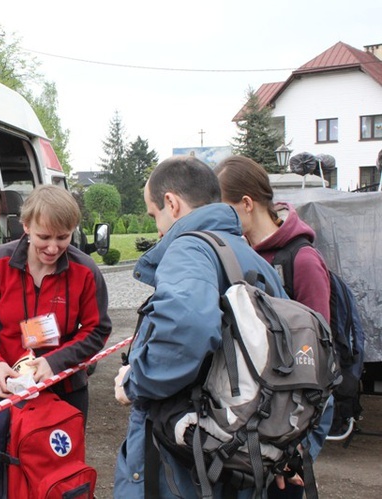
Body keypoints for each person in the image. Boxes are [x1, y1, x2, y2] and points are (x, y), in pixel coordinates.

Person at [113, 156, 287, 498]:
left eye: (154, 215)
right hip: (238, 453)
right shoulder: (250, 258)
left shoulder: (189, 248)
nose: (158, 228)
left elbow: (189, 326)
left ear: (171, 203)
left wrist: (135, 381)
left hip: (184, 464)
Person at [215, 155, 334, 499]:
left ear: (247, 204)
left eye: (223, 209)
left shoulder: (303, 261)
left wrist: (292, 451)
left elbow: (317, 363)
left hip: (284, 436)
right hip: (248, 429)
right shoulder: (236, 255)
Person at [0, 184, 112, 419]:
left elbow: (98, 329)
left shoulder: (85, 271)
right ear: (26, 227)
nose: (53, 248)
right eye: (43, 237)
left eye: (63, 237)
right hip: (7, 388)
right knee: (5, 455)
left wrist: (55, 362)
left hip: (65, 388)